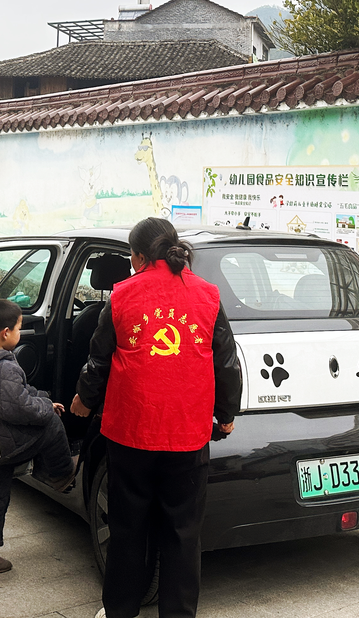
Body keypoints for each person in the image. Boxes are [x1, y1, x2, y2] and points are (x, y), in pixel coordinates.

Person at [71, 217, 242, 618]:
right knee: (183, 534)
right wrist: (226, 413)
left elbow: (99, 359)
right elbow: (226, 362)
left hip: (131, 434)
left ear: (138, 257)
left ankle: (120, 609)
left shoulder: (122, 296)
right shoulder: (208, 295)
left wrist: (84, 399)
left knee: (128, 528)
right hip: (187, 435)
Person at [0, 299, 76, 577]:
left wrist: (43, 398)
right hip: (7, 441)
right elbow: (20, 408)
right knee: (51, 424)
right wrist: (46, 407)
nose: (20, 333)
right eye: (18, 328)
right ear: (6, 333)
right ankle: (60, 475)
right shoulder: (4, 367)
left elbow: (21, 393)